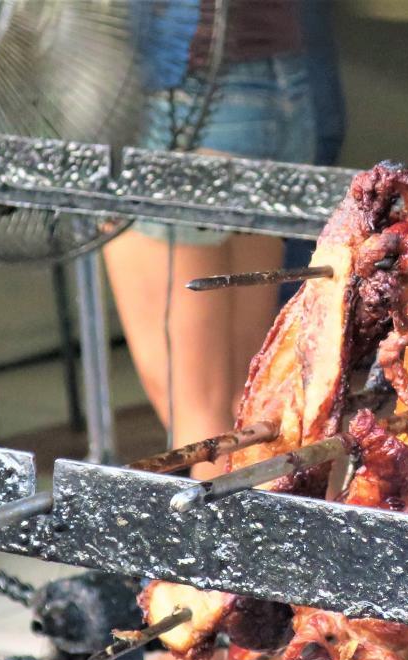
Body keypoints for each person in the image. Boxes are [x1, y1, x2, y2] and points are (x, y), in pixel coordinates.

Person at [104, 0, 317, 474]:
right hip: (275, 78)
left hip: (180, 93)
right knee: (247, 402)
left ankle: (232, 527)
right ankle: (270, 524)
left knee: (198, 415)